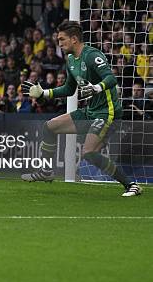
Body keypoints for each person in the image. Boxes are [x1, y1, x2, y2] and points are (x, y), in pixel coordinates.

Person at [21, 21, 140, 197]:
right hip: (89, 112)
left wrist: (96, 88)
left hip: (108, 113)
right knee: (50, 126)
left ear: (74, 39)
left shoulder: (92, 55)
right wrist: (43, 93)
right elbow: (69, 89)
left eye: (62, 39)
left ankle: (131, 185)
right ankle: (46, 171)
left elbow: (111, 78)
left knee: (89, 153)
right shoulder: (70, 60)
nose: (59, 43)